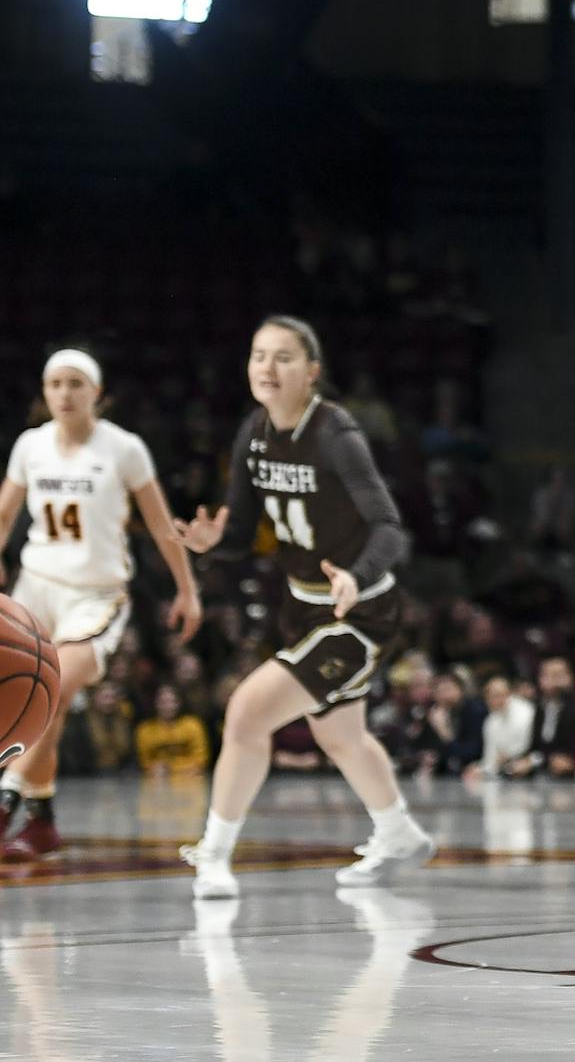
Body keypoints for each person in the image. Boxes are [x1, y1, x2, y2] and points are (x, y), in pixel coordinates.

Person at [172, 316, 433, 899]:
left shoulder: (336, 435)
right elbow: (241, 533)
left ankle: (213, 854)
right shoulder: (254, 434)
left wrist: (356, 578)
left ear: (312, 372)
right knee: (340, 735)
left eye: (283, 357)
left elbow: (390, 529)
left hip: (357, 613)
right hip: (300, 606)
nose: (267, 368)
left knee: (245, 714)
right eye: (258, 355)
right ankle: (399, 835)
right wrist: (217, 544)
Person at [0, 349, 200, 861]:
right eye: (54, 384)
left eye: (75, 383)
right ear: (44, 393)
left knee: (51, 687)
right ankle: (44, 821)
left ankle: (4, 804)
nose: (65, 393)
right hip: (36, 586)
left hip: (95, 595)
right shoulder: (31, 445)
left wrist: (188, 589)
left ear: (97, 392)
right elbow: (1, 515)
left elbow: (162, 526)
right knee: (39, 704)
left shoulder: (124, 449)